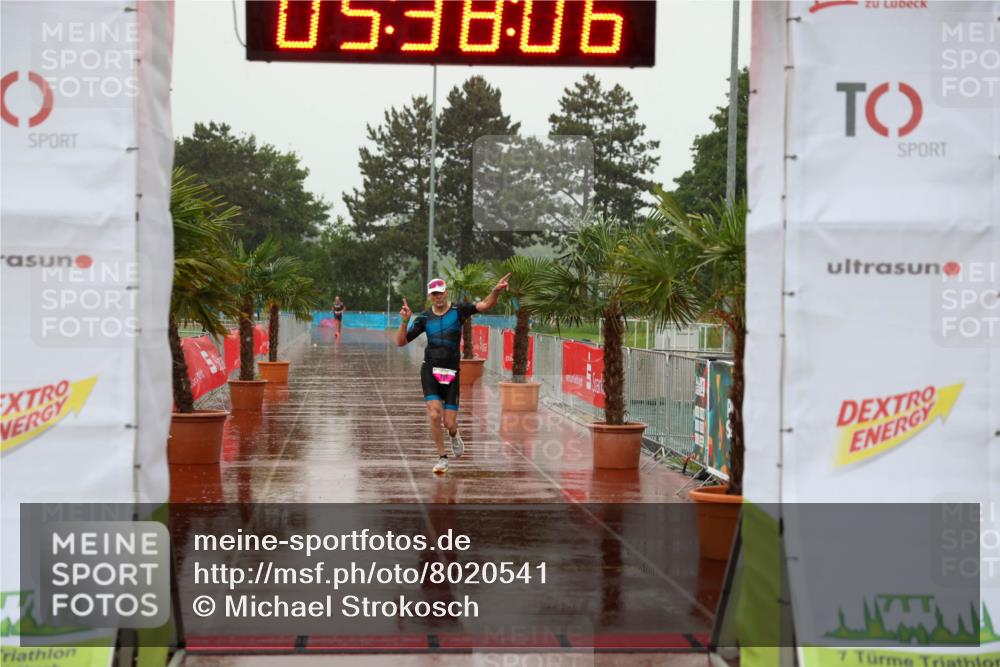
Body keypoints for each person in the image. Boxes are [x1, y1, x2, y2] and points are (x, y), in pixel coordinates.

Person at [397, 274, 510, 474]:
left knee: (449, 423)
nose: (438, 297)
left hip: (451, 373)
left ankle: (454, 434)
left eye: (440, 293)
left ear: (446, 292)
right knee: (433, 414)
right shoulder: (424, 318)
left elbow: (484, 305)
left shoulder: (459, 310)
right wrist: (405, 321)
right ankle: (442, 458)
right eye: (434, 294)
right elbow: (401, 342)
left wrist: (495, 291)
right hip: (430, 370)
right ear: (430, 296)